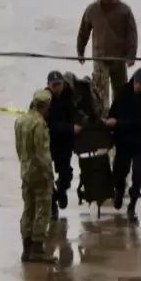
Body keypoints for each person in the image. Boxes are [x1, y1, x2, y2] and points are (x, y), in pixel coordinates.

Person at [76, 0, 138, 116]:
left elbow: (132, 34)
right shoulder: (92, 10)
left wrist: (131, 55)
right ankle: (102, 117)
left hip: (119, 58)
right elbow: (83, 31)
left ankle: (119, 116)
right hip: (100, 58)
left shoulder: (124, 10)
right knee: (100, 91)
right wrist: (80, 51)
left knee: (121, 91)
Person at [105, 69, 141, 219]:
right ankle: (119, 192)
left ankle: (133, 203)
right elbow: (113, 112)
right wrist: (109, 124)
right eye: (136, 83)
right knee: (119, 171)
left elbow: (139, 121)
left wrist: (118, 123)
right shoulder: (123, 93)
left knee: (138, 172)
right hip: (123, 140)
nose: (138, 86)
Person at [14, 89, 56, 264]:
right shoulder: (39, 124)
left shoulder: (20, 120)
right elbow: (42, 153)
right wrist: (49, 174)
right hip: (39, 172)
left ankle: (26, 249)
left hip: (25, 171)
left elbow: (18, 147)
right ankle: (37, 249)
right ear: (46, 106)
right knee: (42, 209)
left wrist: (24, 165)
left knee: (28, 208)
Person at [45, 71, 81, 218]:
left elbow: (76, 113)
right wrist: (70, 128)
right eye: (54, 85)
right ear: (48, 85)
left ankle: (61, 190)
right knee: (46, 178)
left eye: (59, 84)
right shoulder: (44, 100)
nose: (57, 87)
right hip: (48, 143)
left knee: (66, 174)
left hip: (65, 144)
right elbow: (49, 126)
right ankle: (52, 204)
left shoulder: (68, 96)